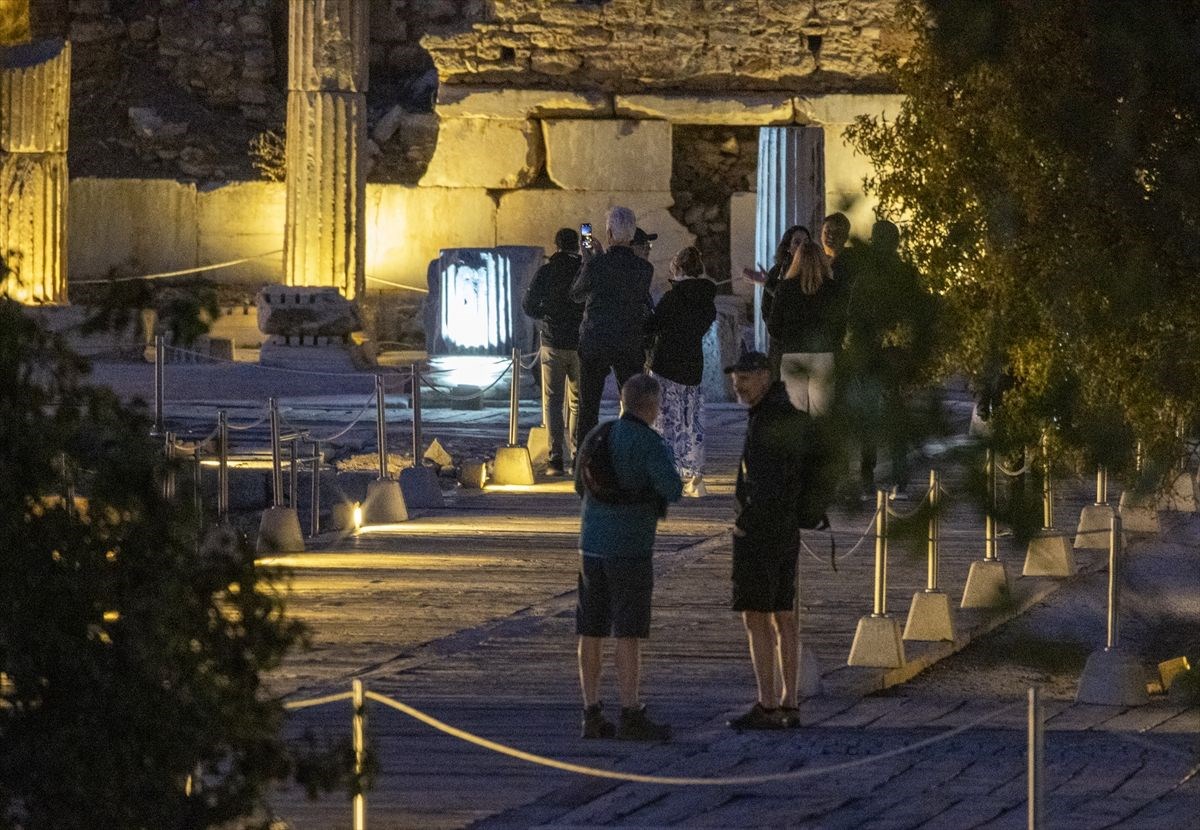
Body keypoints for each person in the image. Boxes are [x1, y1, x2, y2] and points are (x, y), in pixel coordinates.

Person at [575, 373, 683, 740]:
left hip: (591, 545)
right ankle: (630, 710)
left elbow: (579, 485)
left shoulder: (598, 435)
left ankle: (591, 711)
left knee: (590, 629)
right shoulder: (649, 442)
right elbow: (672, 488)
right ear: (652, 406)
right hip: (630, 548)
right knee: (628, 631)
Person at [724, 351, 825, 731]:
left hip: (761, 532)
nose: (738, 385)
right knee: (785, 614)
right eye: (736, 378)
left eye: (745, 378)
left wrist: (745, 523)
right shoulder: (791, 417)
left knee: (757, 616)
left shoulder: (767, 422)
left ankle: (767, 705)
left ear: (765, 378)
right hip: (787, 529)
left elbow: (763, 483)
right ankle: (790, 702)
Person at [843, 219, 937, 497]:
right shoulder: (895, 274)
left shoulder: (874, 275)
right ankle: (892, 479)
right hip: (885, 355)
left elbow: (854, 317)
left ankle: (873, 479)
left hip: (880, 355)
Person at [571, 206, 655, 449]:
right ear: (633, 234)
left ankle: (584, 456)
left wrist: (588, 261)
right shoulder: (644, 269)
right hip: (629, 341)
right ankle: (631, 451)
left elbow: (576, 294)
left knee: (588, 406)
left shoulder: (597, 265)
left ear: (608, 233)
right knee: (633, 405)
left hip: (595, 340)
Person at [647, 246, 717, 497]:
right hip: (692, 364)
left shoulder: (672, 298)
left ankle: (668, 473)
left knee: (665, 420)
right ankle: (695, 477)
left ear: (677, 268)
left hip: (666, 363)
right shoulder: (706, 299)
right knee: (691, 420)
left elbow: (653, 325)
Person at [522, 227, 585, 475]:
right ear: (577, 245)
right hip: (579, 343)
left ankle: (555, 459)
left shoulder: (546, 271)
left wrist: (546, 315)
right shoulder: (583, 270)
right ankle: (577, 455)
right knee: (578, 402)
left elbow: (528, 305)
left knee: (552, 401)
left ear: (556, 246)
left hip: (552, 342)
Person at [766, 239, 843, 415]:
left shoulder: (785, 288)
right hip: (823, 354)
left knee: (795, 413)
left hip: (793, 354)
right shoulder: (833, 289)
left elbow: (774, 325)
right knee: (822, 412)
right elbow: (840, 324)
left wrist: (787, 339)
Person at [743, 226, 812, 379]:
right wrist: (775, 328)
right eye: (797, 242)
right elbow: (767, 306)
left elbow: (799, 302)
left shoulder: (813, 271)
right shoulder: (778, 271)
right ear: (788, 247)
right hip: (781, 343)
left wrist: (767, 283)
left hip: (806, 343)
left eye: (806, 242)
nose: (802, 246)